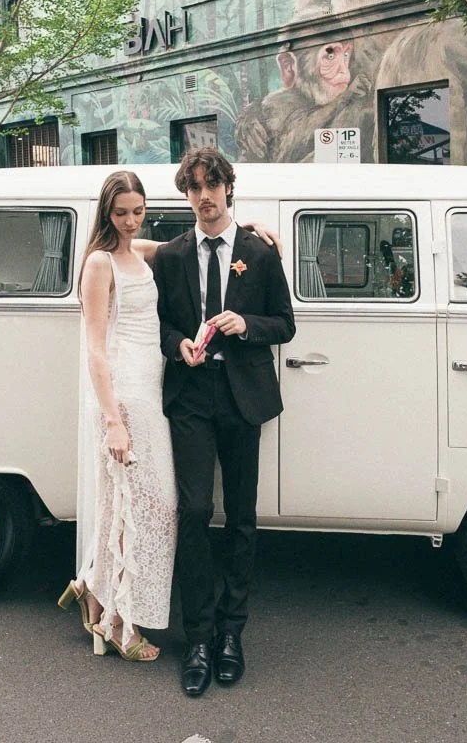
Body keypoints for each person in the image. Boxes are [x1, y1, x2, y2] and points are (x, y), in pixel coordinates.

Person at [58, 169, 281, 664]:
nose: (132, 221)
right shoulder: (100, 262)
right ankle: (122, 618)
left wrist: (255, 230)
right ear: (106, 213)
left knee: (146, 508)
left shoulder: (142, 250)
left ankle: (96, 590)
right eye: (121, 213)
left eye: (138, 212)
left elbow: (201, 241)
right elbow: (96, 348)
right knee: (159, 508)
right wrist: (113, 418)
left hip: (163, 393)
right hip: (135, 395)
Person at [153, 148, 295, 696]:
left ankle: (231, 636)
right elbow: (160, 326)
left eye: (213, 185)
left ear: (228, 188)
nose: (205, 196)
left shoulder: (259, 253)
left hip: (242, 397)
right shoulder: (171, 255)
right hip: (190, 395)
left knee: (241, 517)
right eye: (194, 187)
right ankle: (197, 637)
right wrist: (178, 345)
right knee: (192, 511)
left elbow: (285, 324)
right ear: (186, 194)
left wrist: (246, 323)